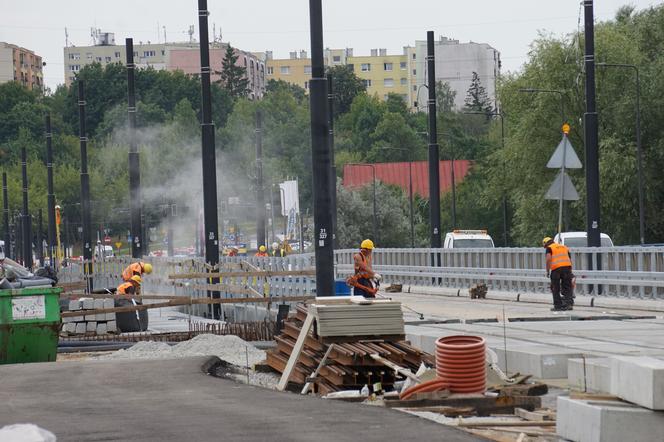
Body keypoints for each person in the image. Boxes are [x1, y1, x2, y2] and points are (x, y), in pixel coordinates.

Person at [543, 236, 574, 311]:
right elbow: (569, 258)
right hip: (567, 268)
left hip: (556, 269)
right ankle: (568, 304)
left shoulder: (549, 248)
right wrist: (570, 270)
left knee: (555, 288)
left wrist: (547, 270)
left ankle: (558, 306)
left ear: (546, 244)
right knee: (567, 287)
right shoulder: (564, 247)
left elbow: (548, 259)